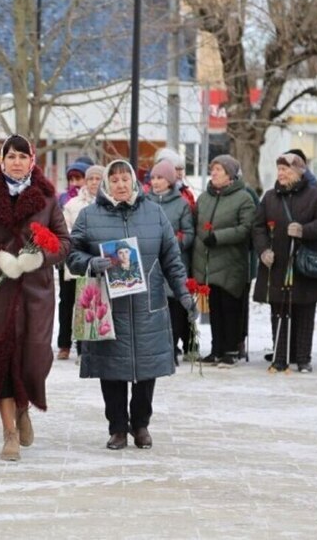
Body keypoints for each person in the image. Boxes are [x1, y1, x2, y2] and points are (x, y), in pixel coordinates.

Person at [67, 159, 195, 450]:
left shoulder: (155, 212)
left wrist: (184, 294)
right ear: (106, 184)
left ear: (134, 181)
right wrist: (91, 262)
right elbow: (72, 255)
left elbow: (172, 261)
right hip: (108, 307)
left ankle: (141, 424)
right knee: (111, 371)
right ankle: (117, 428)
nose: (121, 185)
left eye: (126, 179)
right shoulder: (89, 216)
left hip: (147, 304)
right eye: (115, 180)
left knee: (146, 371)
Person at [0, 134, 71, 462]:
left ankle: (24, 407)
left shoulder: (47, 197)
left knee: (34, 359)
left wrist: (41, 257)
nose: (17, 162)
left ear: (32, 161)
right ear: (2, 160)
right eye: (11, 157)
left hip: (36, 291)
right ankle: (9, 431)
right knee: (0, 358)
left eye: (23, 157)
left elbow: (65, 241)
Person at [252, 153, 317, 373]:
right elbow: (258, 227)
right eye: (279, 169)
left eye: (286, 170)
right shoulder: (270, 197)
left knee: (305, 310)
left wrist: (303, 230)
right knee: (278, 308)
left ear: (299, 172)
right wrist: (263, 251)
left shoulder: (315, 196)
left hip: (304, 262)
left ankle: (303, 357)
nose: (281, 173)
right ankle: (280, 356)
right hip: (277, 263)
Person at [192, 155, 256, 368]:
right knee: (214, 309)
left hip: (231, 262)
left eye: (219, 169)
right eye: (213, 169)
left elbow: (246, 229)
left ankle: (231, 350)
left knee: (230, 307)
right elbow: (196, 226)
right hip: (208, 262)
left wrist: (219, 236)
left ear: (230, 175)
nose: (214, 172)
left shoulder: (243, 198)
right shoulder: (204, 198)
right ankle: (216, 349)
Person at [146, 158, 195, 365]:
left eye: (160, 178)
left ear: (170, 180)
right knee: (153, 308)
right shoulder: (144, 201)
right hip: (150, 263)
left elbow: (190, 233)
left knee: (173, 308)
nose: (155, 182)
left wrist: (174, 241)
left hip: (172, 261)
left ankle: (172, 348)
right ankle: (154, 349)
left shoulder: (181, 204)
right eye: (153, 177)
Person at [59, 164, 104, 360]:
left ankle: (85, 346)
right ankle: (64, 344)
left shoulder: (108, 203)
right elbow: (65, 229)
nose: (94, 182)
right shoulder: (72, 204)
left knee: (90, 303)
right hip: (75, 260)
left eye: (98, 179)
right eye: (91, 179)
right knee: (68, 303)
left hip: (98, 261)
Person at [154, 147, 196, 212]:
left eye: (181, 169)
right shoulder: (148, 192)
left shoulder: (187, 194)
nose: (180, 173)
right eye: (176, 169)